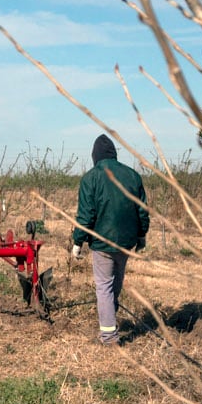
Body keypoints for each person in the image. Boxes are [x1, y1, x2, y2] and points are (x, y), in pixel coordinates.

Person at [73, 134, 148, 345]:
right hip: (126, 242)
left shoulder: (90, 178)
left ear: (94, 156)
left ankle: (109, 336)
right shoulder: (133, 176)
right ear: (114, 154)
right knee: (116, 282)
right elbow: (142, 210)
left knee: (104, 286)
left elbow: (86, 215)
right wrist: (141, 236)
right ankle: (110, 320)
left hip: (102, 244)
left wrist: (77, 242)